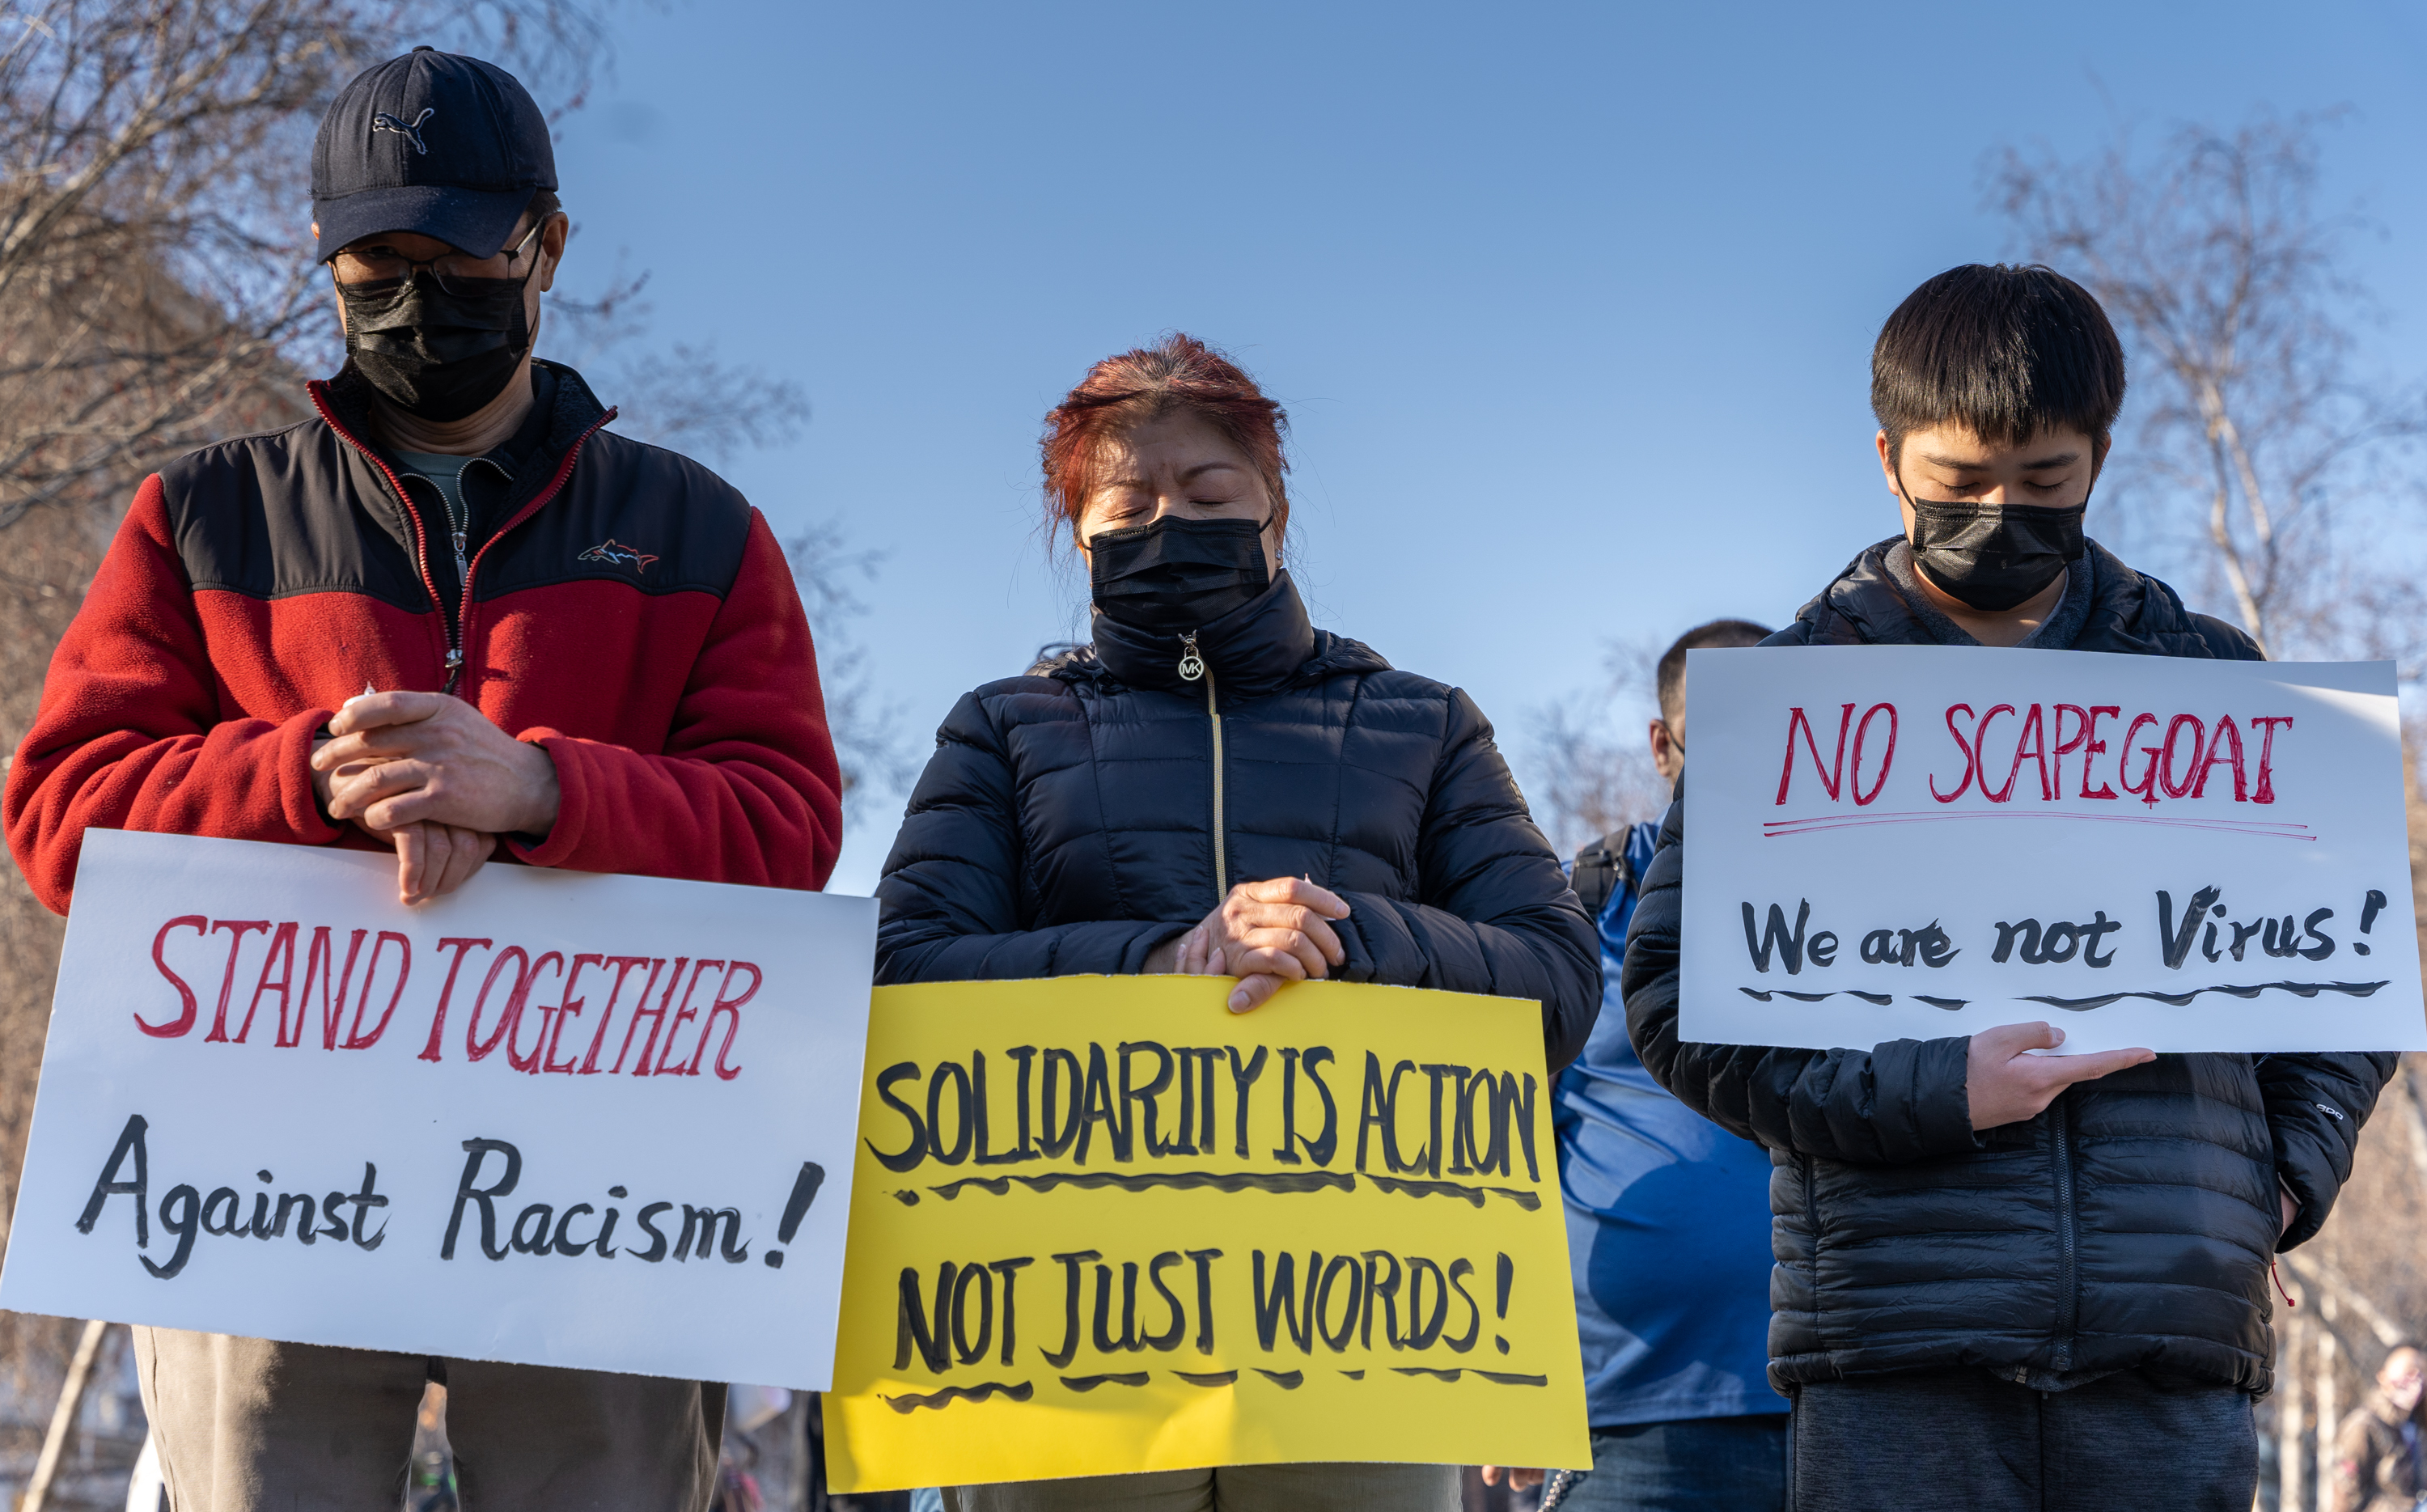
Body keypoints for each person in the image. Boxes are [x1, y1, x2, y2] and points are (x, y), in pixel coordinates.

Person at [5, 48, 841, 1512]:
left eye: (459, 259)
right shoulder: (200, 515)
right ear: (321, 255)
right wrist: (310, 775)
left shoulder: (701, 530)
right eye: (376, 263)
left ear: (547, 248)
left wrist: (543, 792)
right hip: (259, 1182)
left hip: (602, 1195)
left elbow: (790, 826)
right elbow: (59, 811)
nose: (415, 299)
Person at [1620, 264, 2398, 1512]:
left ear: (2099, 458)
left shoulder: (2217, 681)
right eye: (1960, 479)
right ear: (1889, 460)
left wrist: (2281, 1178)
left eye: (2044, 482)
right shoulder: (1791, 699)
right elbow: (1679, 1007)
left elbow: (2338, 975)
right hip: (1898, 1355)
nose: (1999, 514)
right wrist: (1942, 1089)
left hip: (2168, 1348)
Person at [875, 332, 1601, 1511]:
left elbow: (1558, 984)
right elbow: (902, 980)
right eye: (1130, 506)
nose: (1172, 524)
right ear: (1080, 536)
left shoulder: (1423, 724)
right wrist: (1160, 957)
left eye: (1209, 494)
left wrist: (1351, 935)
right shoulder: (1004, 729)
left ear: (1275, 508)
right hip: (1069, 1326)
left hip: (1357, 1317)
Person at [1518, 618, 1787, 1512]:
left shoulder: (1886, 918)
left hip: (1855, 1404)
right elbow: (1501, 1151)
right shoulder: (1574, 912)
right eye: (1722, 731)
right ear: (1664, 746)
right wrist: (1505, 1379)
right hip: (1626, 1423)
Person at [2331, 1343, 2427, 1512]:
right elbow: (2343, 1496)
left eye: (2420, 1373)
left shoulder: (2415, 1425)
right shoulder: (2364, 1426)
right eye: (2407, 1372)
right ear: (2383, 1376)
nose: (2414, 1381)